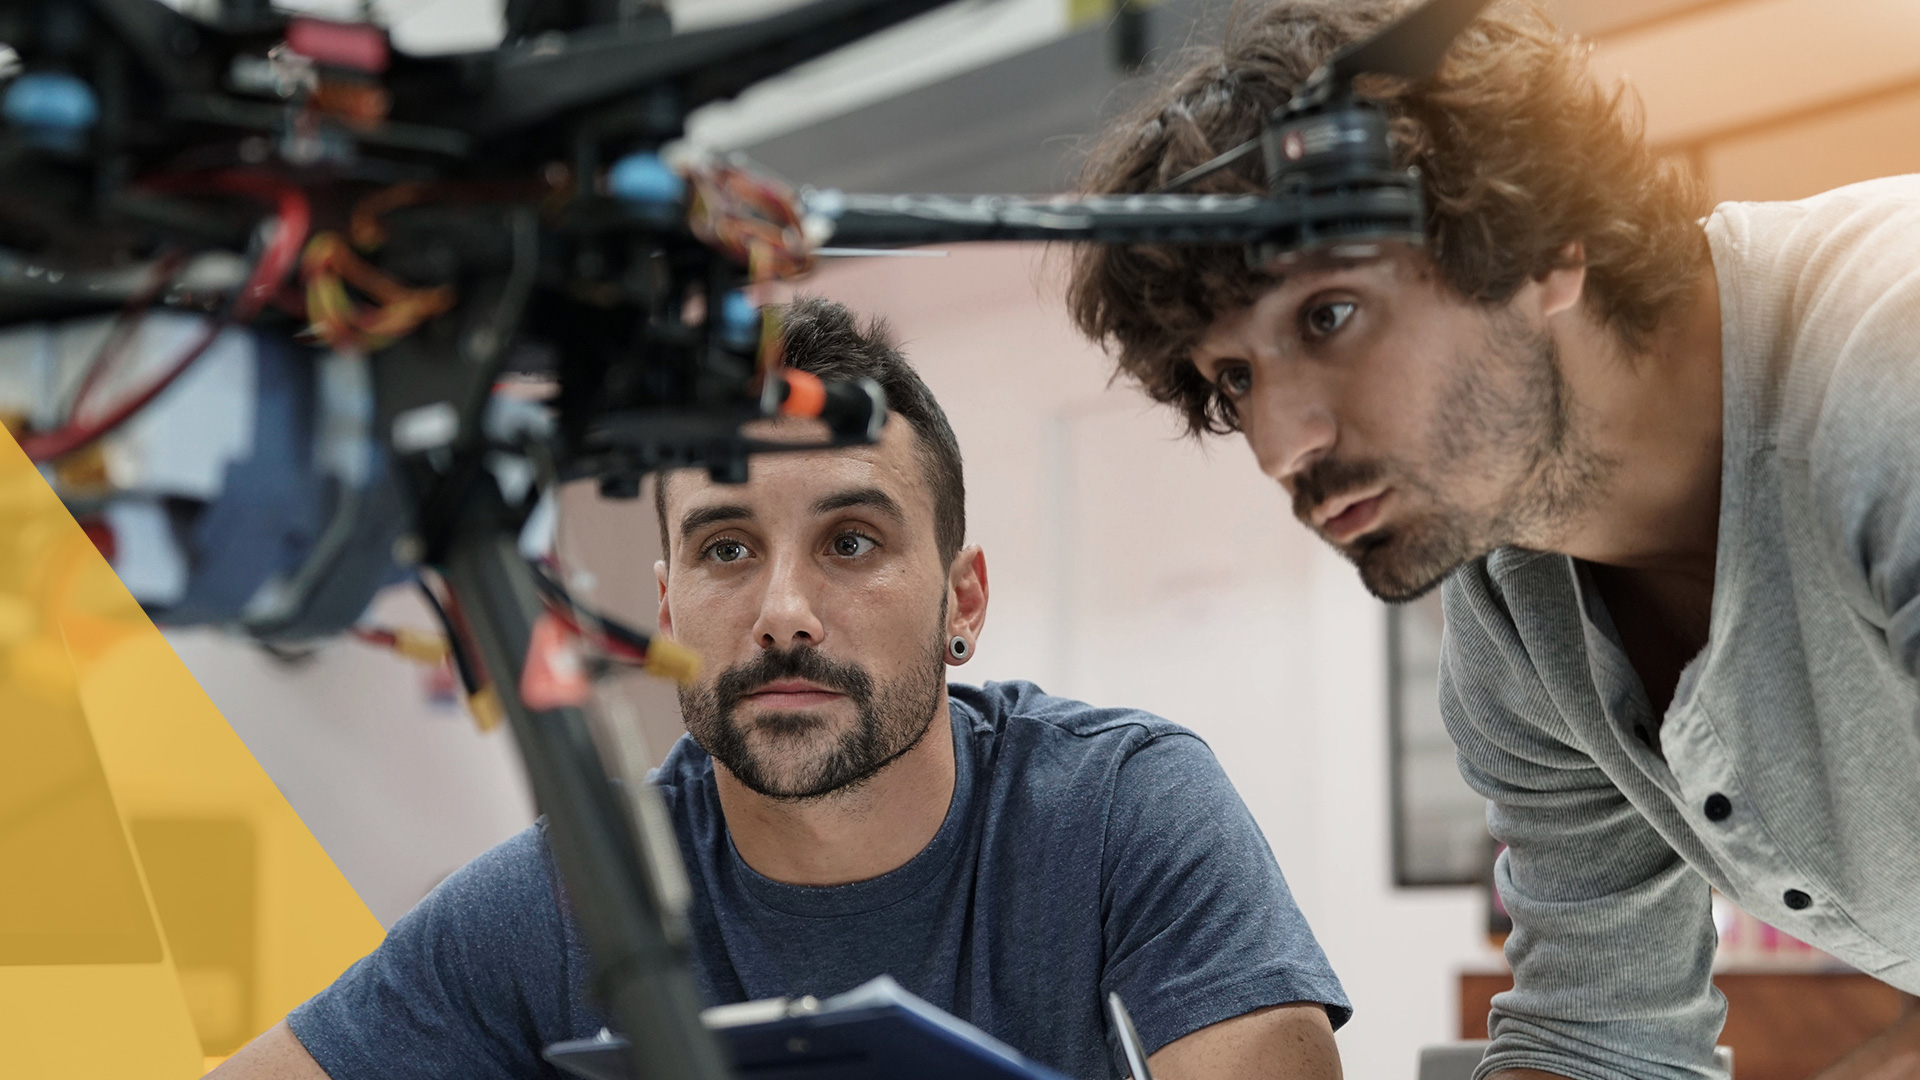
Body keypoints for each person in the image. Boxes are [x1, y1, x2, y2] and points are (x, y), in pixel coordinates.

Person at [1066, 2, 1920, 1078]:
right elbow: (1600, 1035)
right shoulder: (1517, 617)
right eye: (1234, 378)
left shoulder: (1893, 360)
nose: (1282, 442)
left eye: (1328, 316)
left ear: (1540, 244)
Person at [210, 297, 1350, 1080]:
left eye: (851, 542)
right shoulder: (570, 894)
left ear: (964, 601)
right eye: (725, 549)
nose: (783, 611)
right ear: (665, 609)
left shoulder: (1121, 811)